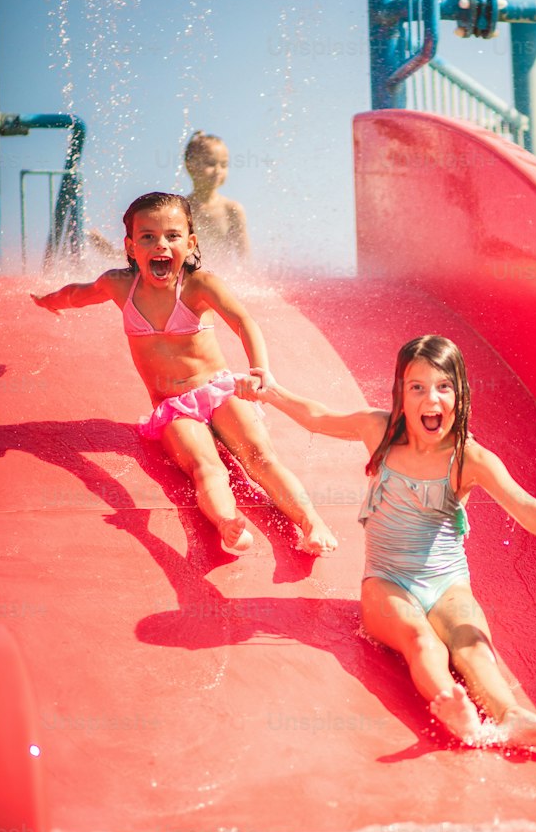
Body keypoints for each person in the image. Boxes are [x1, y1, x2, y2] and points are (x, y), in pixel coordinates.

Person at [236, 334, 536, 749]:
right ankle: (451, 706)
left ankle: (513, 718)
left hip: (448, 583)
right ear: (400, 393)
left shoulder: (469, 458)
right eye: (417, 387)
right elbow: (318, 417)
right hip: (386, 581)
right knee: (421, 640)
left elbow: (527, 507)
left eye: (443, 387)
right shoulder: (378, 429)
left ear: (460, 394)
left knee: (472, 645)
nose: (430, 399)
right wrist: (271, 390)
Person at [32, 191, 335, 557]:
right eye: (148, 237)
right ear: (130, 247)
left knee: (260, 457)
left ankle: (311, 521)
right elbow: (81, 293)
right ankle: (227, 522)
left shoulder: (198, 285)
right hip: (173, 408)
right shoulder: (119, 286)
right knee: (205, 466)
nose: (161, 244)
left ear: (190, 242)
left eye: (172, 236)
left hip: (218, 391)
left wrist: (259, 370)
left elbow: (243, 321)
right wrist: (51, 300)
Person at [183, 130, 250, 269]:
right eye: (211, 163)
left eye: (224, 164)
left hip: (221, 280)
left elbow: (245, 258)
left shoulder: (231, 209)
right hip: (190, 280)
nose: (218, 170)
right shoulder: (181, 209)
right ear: (190, 165)